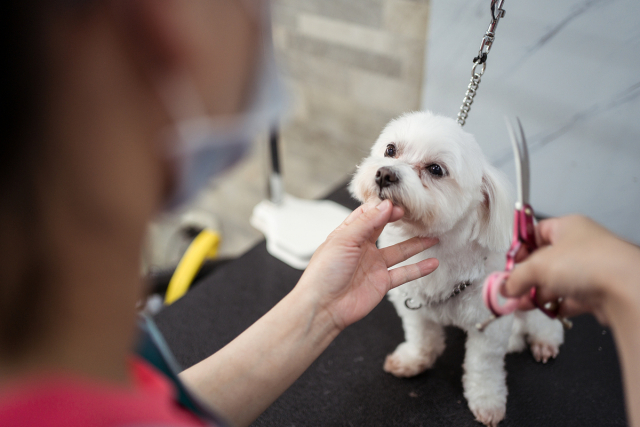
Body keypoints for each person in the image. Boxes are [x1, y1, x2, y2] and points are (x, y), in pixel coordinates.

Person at [0, 1, 638, 427]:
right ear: (167, 31)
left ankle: (508, 363)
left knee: (500, 330)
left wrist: (319, 309)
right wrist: (625, 284)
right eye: (389, 153)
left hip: (484, 295)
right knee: (421, 324)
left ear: (484, 202)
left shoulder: (103, 378)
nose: (390, 172)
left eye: (433, 171)